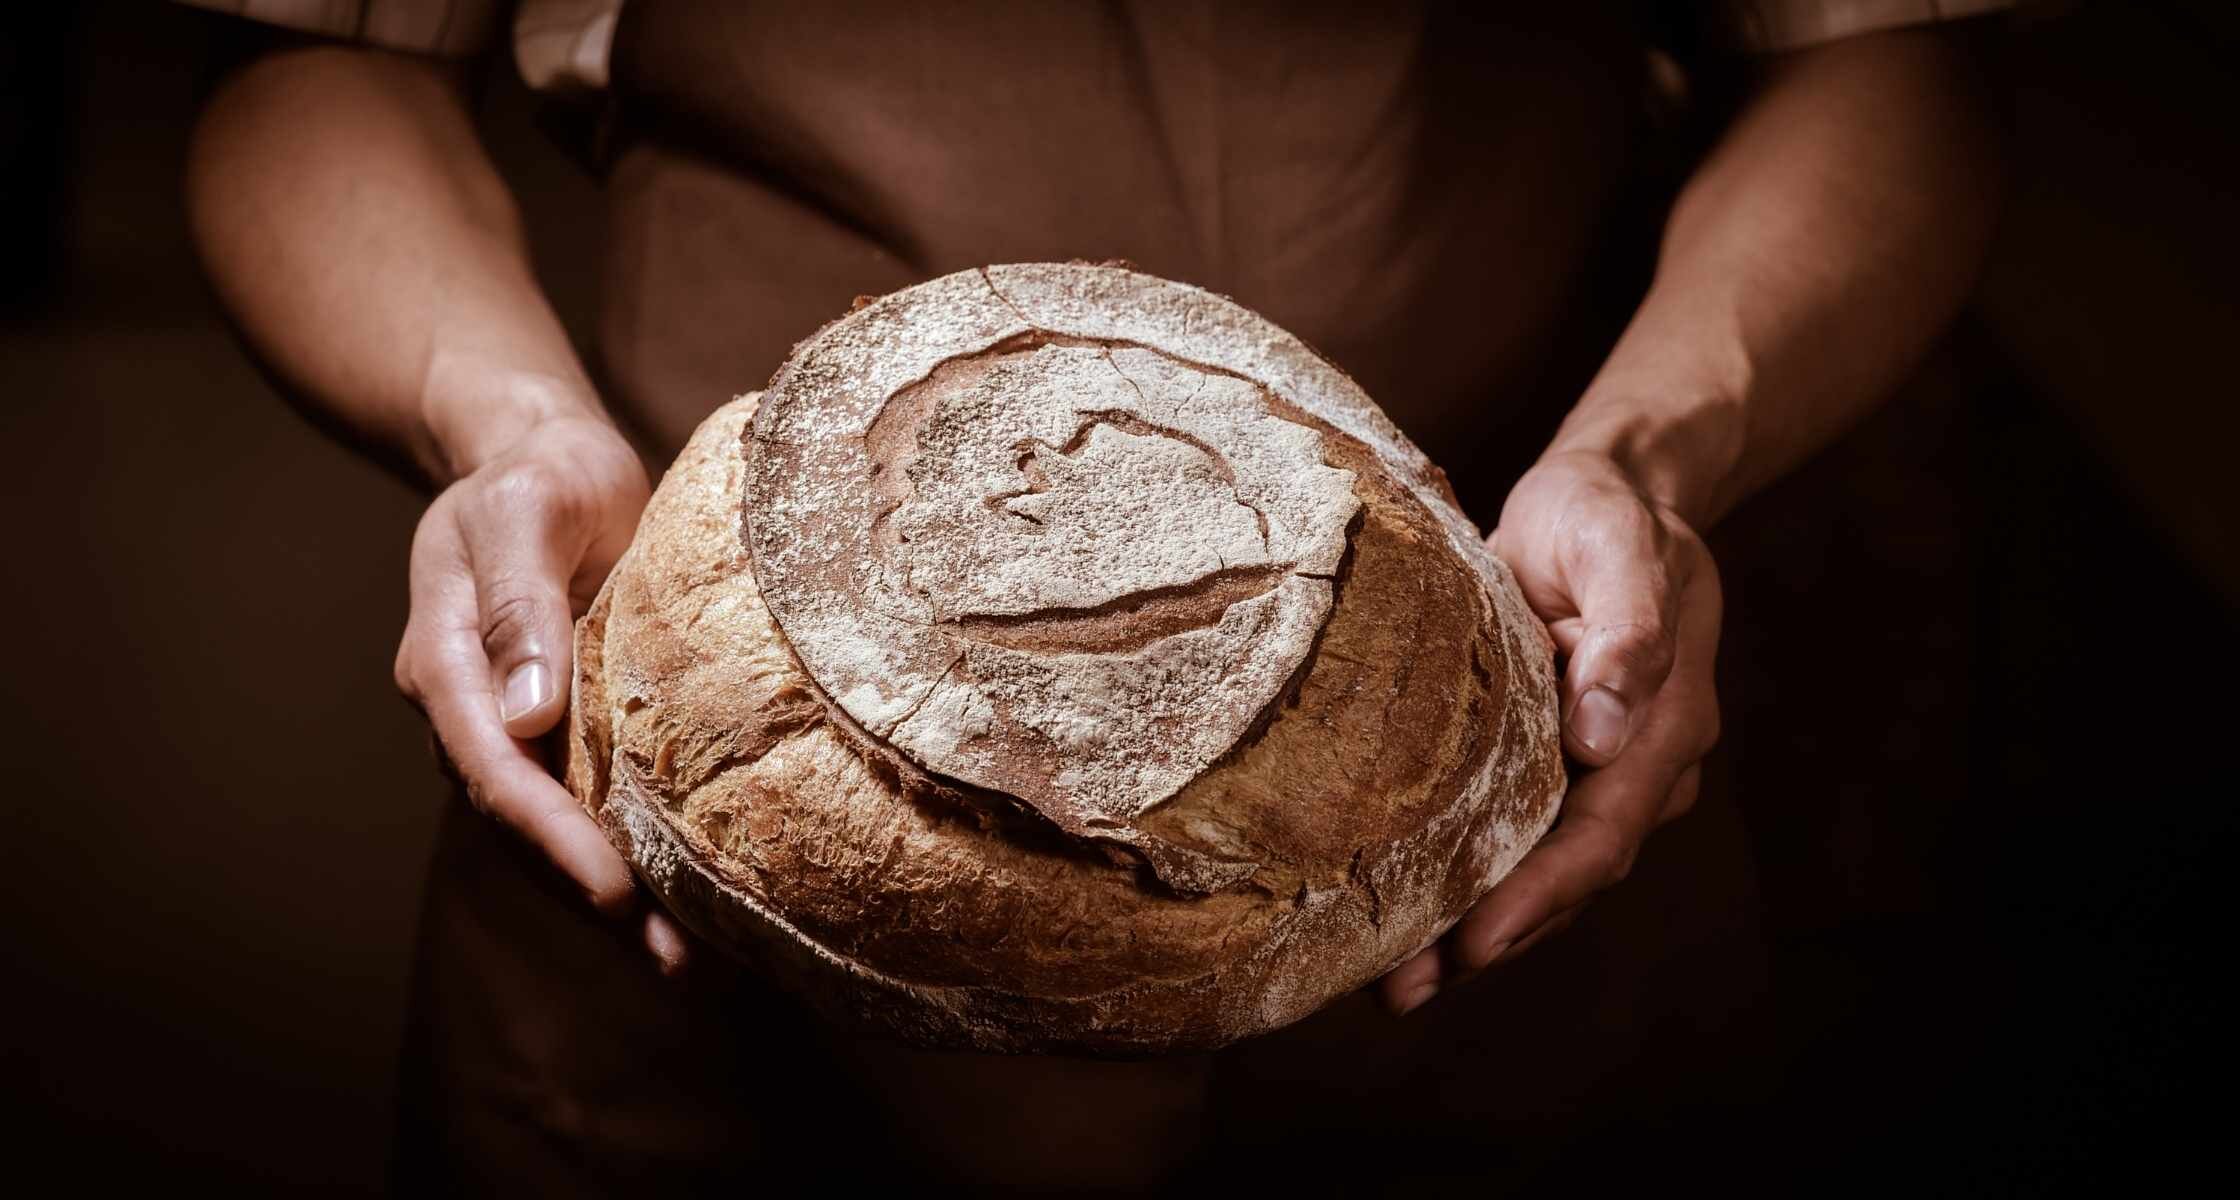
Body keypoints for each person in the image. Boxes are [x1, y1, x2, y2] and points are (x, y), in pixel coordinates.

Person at [181, 0, 2008, 1188]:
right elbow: (318, 54)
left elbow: (1878, 57)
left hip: (1491, 783)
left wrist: (1650, 456)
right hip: (707, 798)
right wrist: (505, 430)